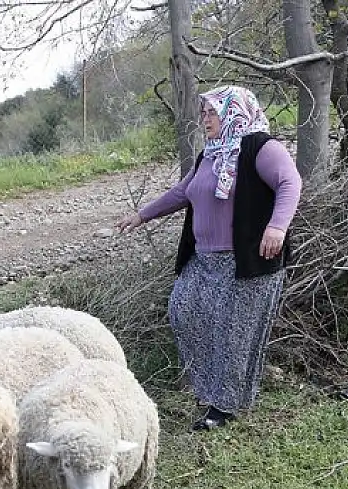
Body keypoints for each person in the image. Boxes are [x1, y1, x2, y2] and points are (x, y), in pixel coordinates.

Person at [116, 85, 302, 431]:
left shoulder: (260, 147)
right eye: (203, 113)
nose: (204, 119)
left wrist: (277, 227)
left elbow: (290, 183)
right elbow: (181, 193)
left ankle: (223, 407)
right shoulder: (211, 154)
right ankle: (210, 389)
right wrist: (142, 215)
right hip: (203, 259)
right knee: (183, 311)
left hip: (247, 261)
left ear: (234, 112)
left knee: (233, 334)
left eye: (211, 112)